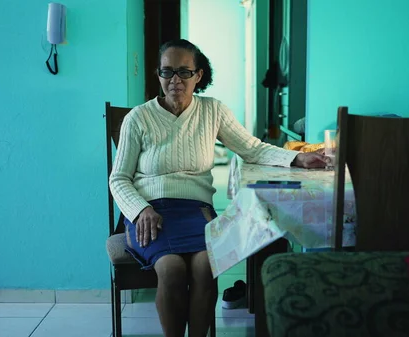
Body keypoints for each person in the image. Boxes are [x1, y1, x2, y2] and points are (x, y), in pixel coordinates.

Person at [109, 39, 328, 337]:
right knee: (172, 270)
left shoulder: (213, 111)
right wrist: (140, 210)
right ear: (157, 74)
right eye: (167, 72)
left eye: (184, 72)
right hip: (150, 212)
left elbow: (253, 149)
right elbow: (119, 178)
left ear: (198, 75)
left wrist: (297, 157)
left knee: (205, 267)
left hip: (195, 209)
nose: (175, 80)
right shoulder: (138, 118)